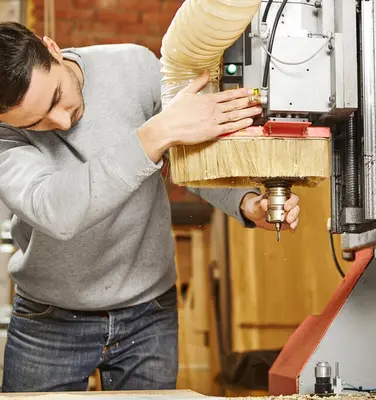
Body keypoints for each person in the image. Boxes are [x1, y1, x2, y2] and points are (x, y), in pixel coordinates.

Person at [0, 22, 300, 392]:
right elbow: (56, 210)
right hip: (49, 320)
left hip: (148, 313)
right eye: (36, 123)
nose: (61, 121)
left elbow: (184, 156)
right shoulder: (4, 134)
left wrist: (245, 202)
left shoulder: (133, 67)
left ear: (52, 49)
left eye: (56, 97)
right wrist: (156, 133)